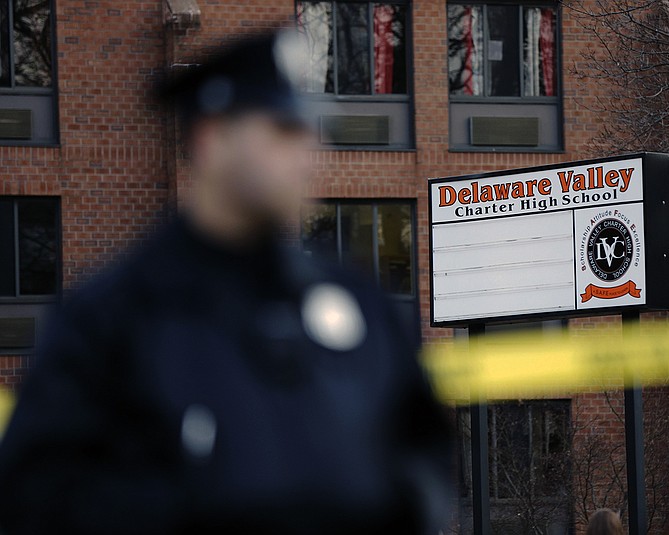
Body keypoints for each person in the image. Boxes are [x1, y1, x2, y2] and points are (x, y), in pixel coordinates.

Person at [0, 31, 451, 534]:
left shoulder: (355, 301)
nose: (308, 153)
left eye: (309, 131)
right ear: (210, 139)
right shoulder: (115, 318)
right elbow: (36, 497)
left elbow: (421, 452)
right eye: (283, 130)